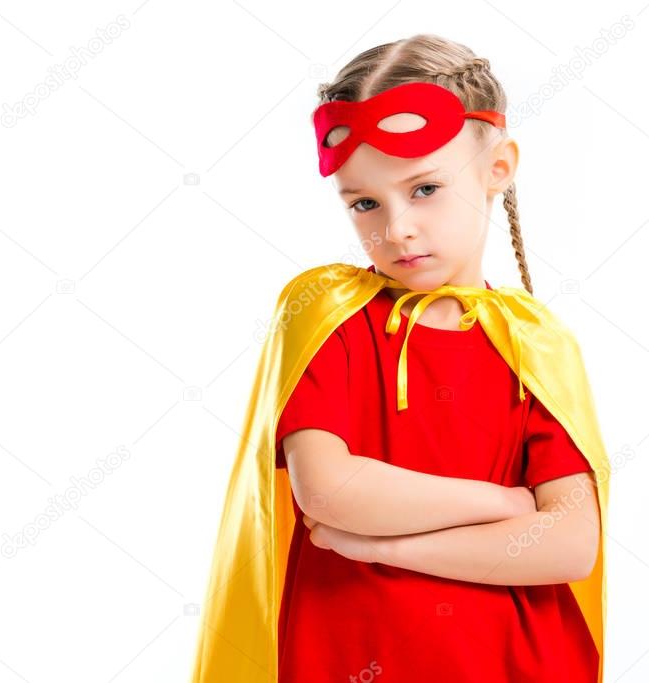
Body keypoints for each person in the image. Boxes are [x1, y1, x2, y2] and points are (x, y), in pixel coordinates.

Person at [189, 33, 609, 683]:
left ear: (497, 167)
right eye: (364, 203)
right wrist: (502, 504)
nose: (396, 229)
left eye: (424, 189)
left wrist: (378, 545)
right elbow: (328, 490)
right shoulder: (328, 314)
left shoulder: (536, 344)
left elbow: (568, 543)